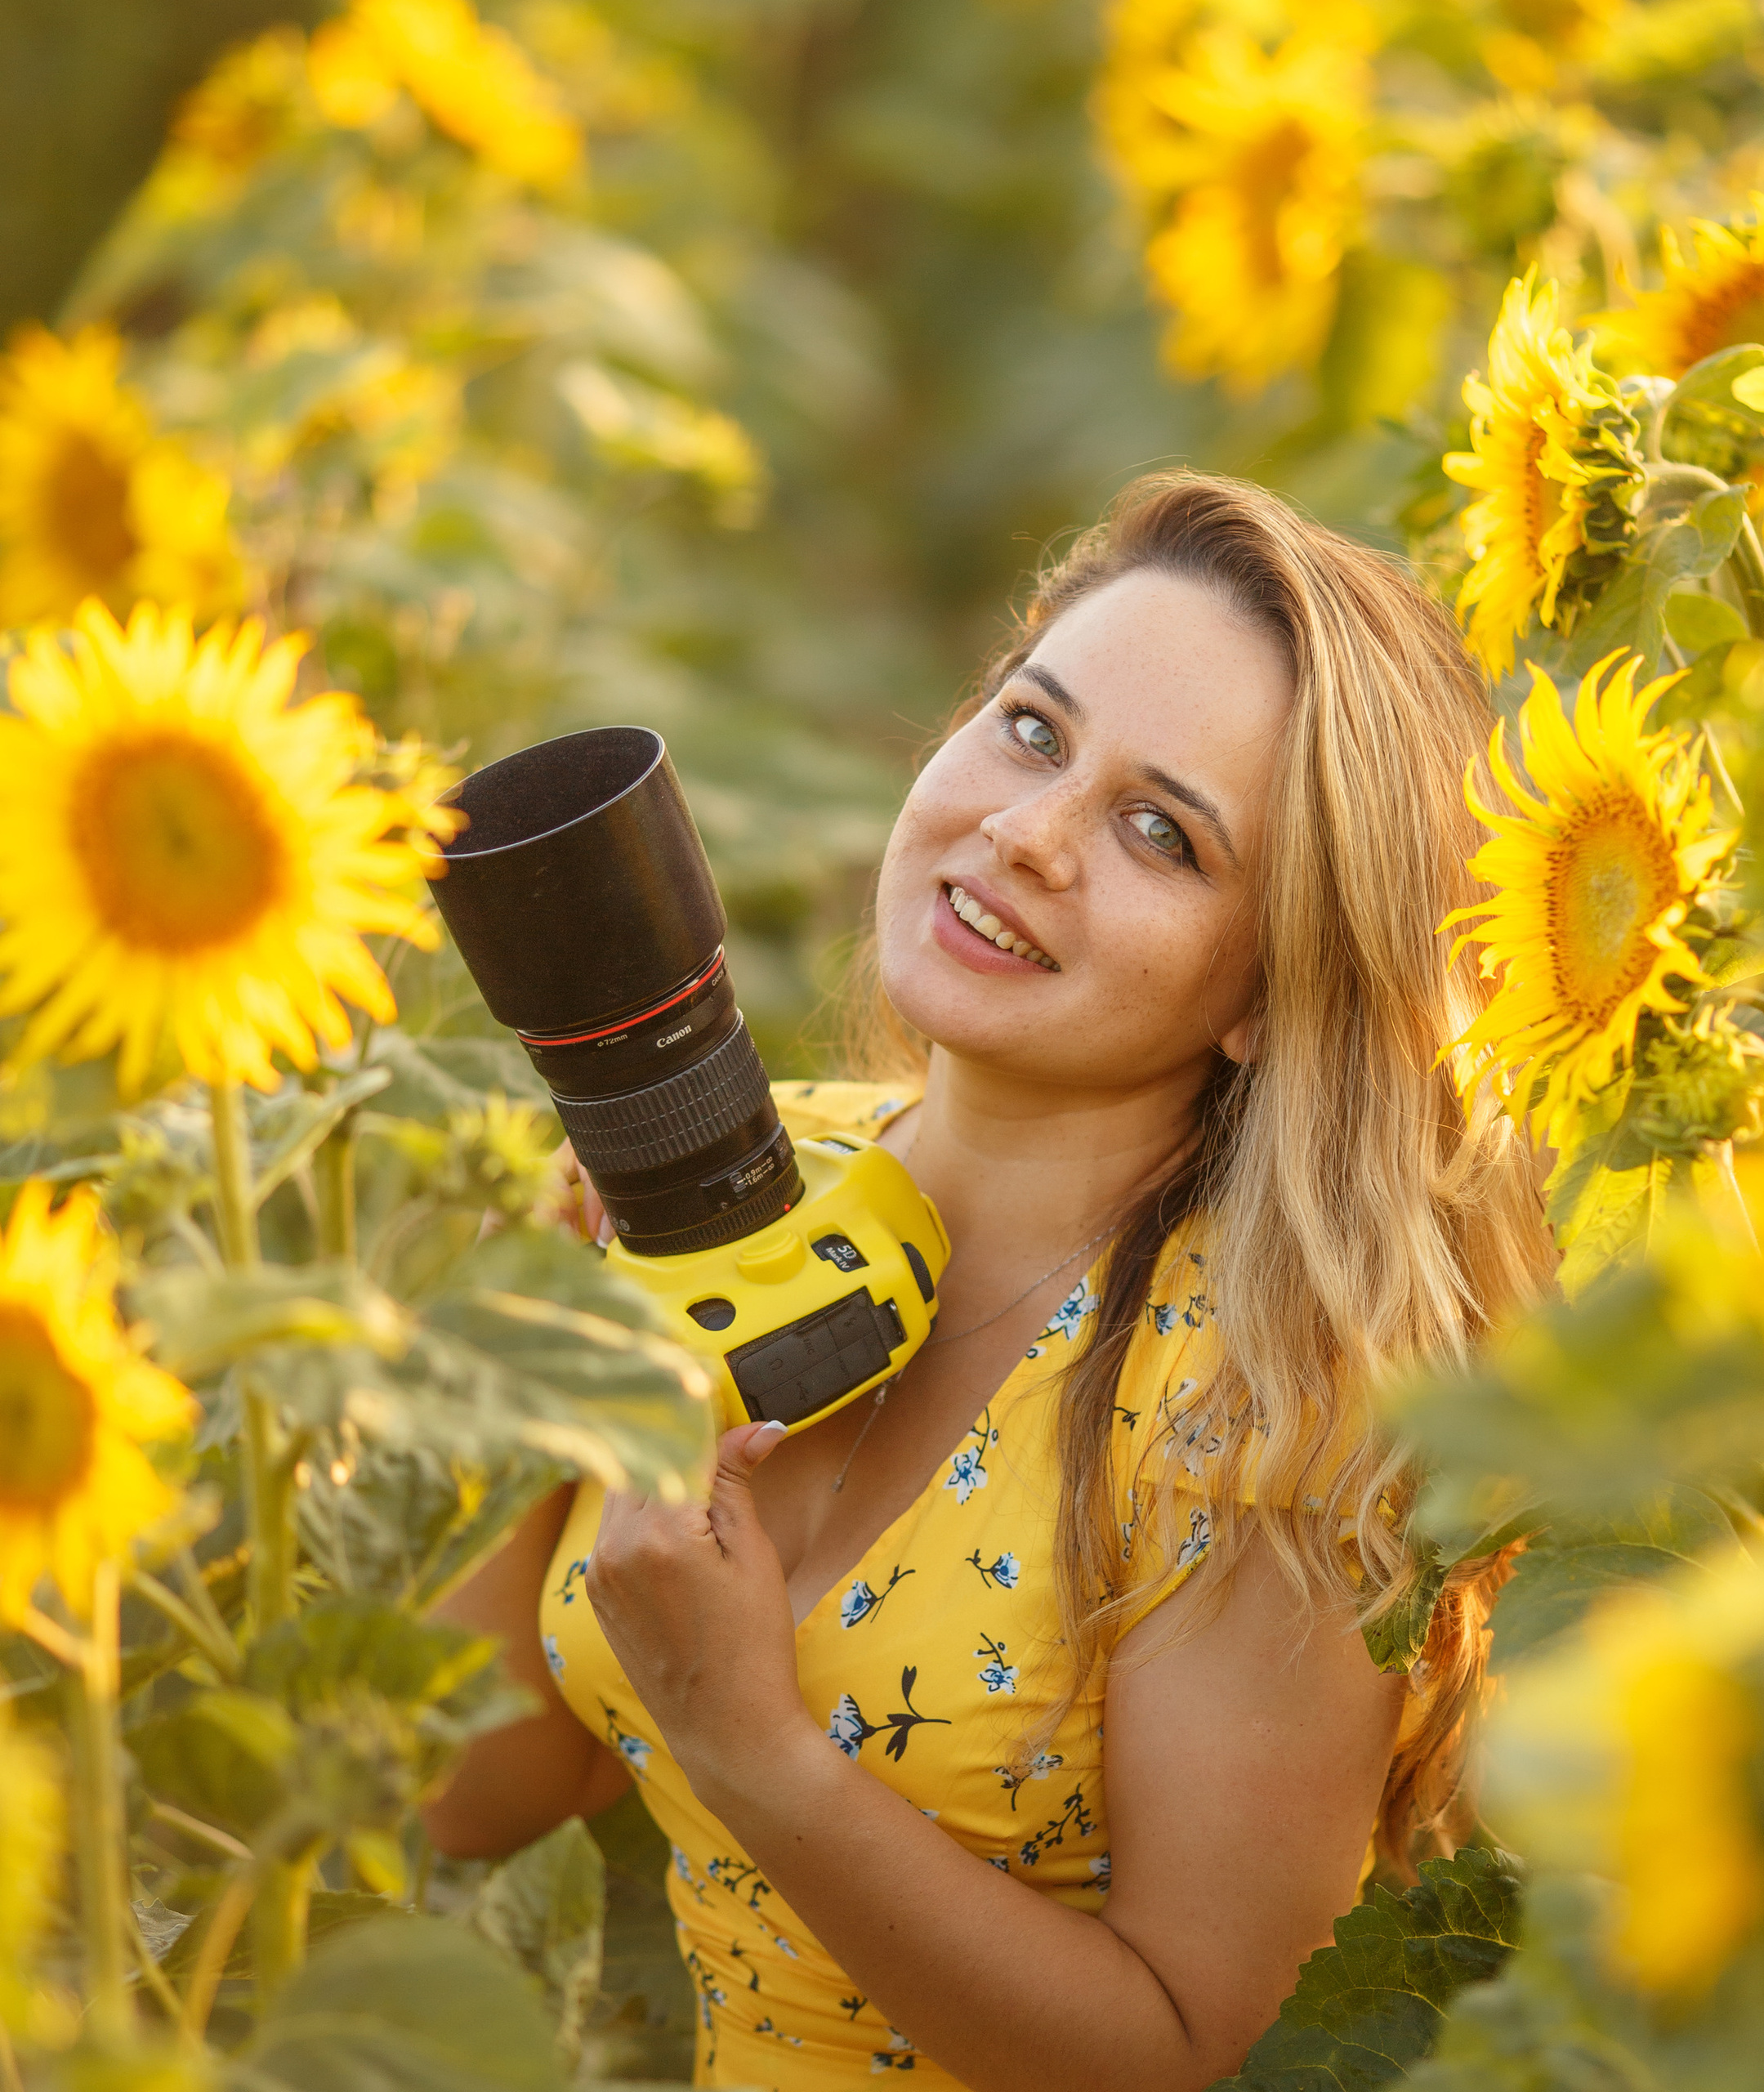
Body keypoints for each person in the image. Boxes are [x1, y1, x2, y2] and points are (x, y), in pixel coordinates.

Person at [420, 470, 1553, 2092]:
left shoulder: (1268, 1396)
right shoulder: (757, 1183)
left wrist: (753, 1746)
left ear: (1265, 989)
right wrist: (542, 1358)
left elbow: (1196, 2043)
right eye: (1031, 729)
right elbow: (476, 1789)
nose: (1026, 833)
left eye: (1158, 832)